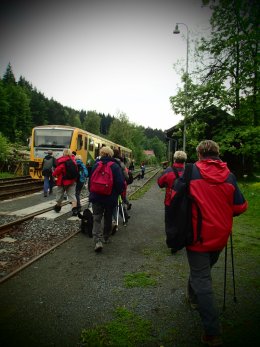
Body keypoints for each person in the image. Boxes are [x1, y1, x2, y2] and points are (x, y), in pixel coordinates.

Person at [173, 140, 248, 347]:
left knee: (202, 278)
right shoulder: (230, 176)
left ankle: (212, 332)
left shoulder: (190, 172)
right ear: (217, 154)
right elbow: (240, 207)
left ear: (199, 154)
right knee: (202, 272)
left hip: (196, 235)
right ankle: (192, 296)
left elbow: (175, 197)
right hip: (220, 237)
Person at [88, 146, 125, 252]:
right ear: (110, 154)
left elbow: (90, 181)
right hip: (110, 197)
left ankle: (97, 241)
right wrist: (118, 193)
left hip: (96, 196)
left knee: (97, 218)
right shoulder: (115, 166)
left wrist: (93, 193)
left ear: (102, 154)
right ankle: (106, 237)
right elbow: (120, 183)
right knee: (108, 218)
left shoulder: (96, 164)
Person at [157, 150, 187, 254]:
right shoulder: (189, 171)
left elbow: (160, 183)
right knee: (182, 221)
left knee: (170, 221)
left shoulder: (168, 170)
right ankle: (180, 241)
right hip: (184, 202)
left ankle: (172, 242)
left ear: (174, 159)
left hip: (170, 200)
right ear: (184, 160)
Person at [52, 148, 78, 216]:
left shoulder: (62, 161)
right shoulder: (74, 161)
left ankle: (58, 207)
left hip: (63, 181)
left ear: (64, 153)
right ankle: (75, 210)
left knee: (60, 194)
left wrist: (53, 174)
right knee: (72, 195)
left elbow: (57, 170)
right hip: (72, 181)